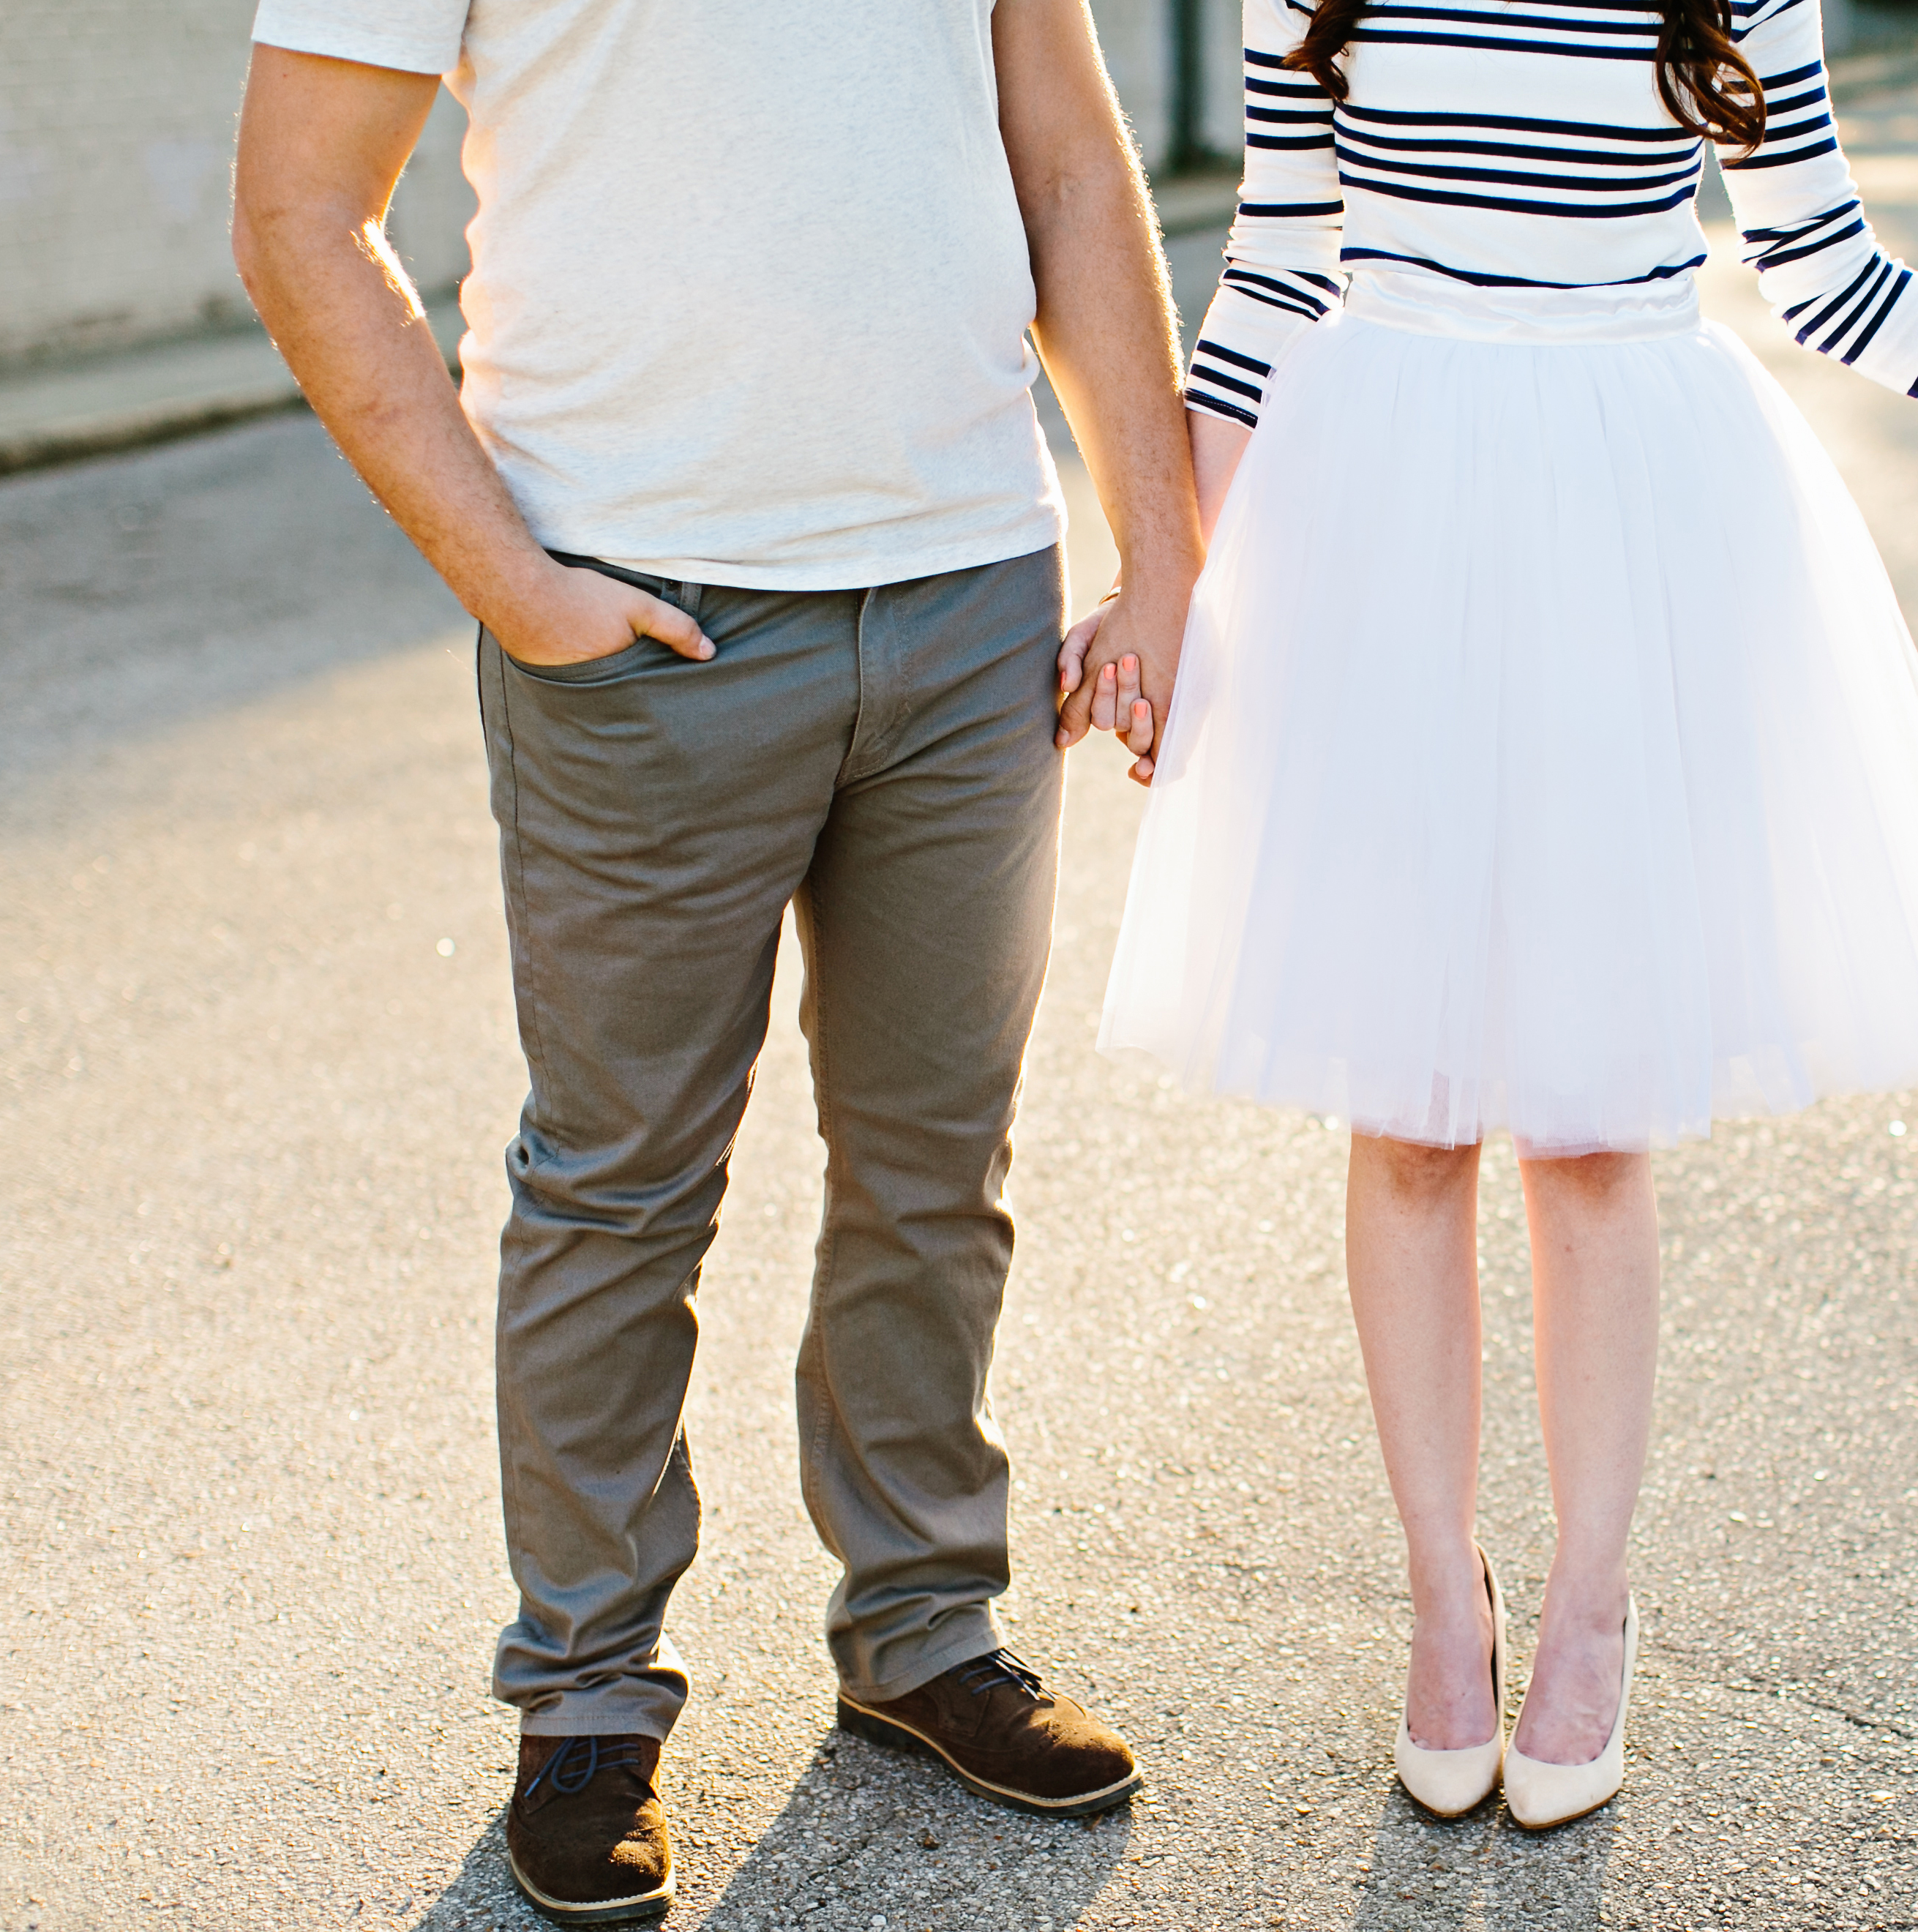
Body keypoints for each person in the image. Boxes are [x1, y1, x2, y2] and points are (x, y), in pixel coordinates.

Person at [1082, 0, 1918, 1831]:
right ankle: (1447, 1604)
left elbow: (1832, 280)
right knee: (1409, 1111)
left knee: (1590, 1126)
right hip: (1382, 520)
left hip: (1625, 531)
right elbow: (1273, 288)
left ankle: (1589, 1613)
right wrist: (1155, 595)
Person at [231, 1, 1201, 1918]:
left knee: (938, 1167)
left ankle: (925, 1634)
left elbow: (1074, 163)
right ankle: (585, 1699)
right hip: (640, 612)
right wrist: (518, 587)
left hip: (962, 601)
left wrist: (1156, 551)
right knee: (620, 1182)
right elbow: (298, 210)